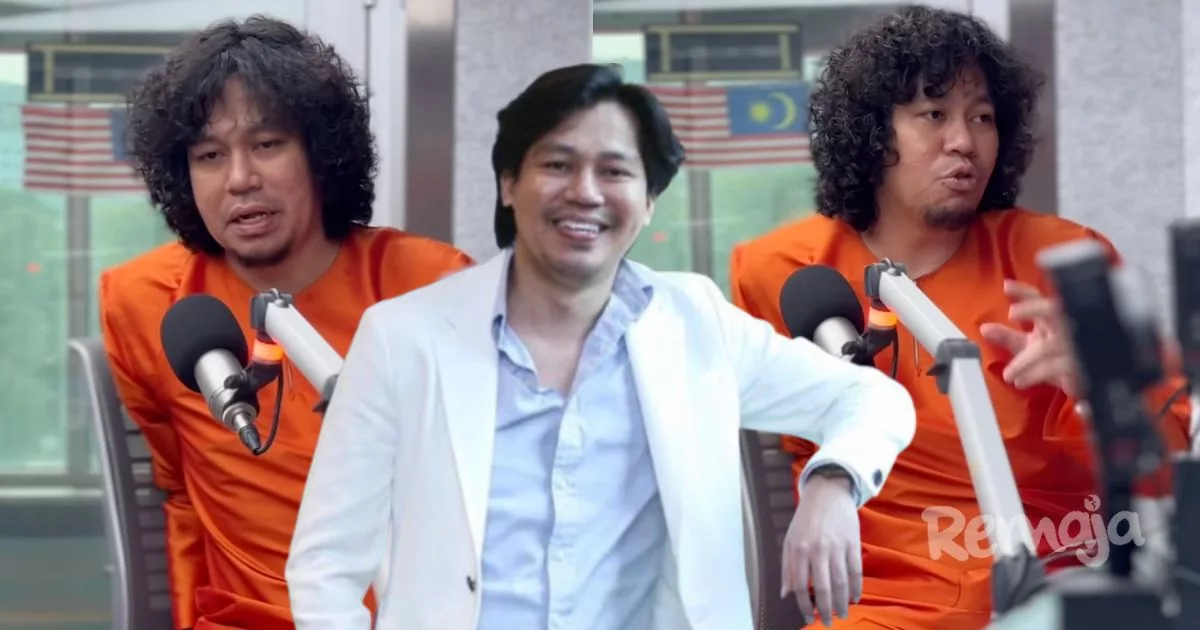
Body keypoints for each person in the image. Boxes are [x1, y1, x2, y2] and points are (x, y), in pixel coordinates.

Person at [284, 63, 917, 630]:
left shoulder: (697, 325)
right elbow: (326, 564)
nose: (585, 191)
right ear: (508, 183)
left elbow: (874, 400)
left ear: (648, 202)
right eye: (557, 165)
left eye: (614, 171)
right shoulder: (402, 337)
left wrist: (832, 481)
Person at [729, 6, 1191, 629]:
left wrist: (1098, 394)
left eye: (982, 118)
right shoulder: (784, 271)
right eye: (934, 115)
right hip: (885, 608)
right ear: (874, 133)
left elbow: (1171, 475)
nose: (964, 142)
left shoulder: (1059, 259)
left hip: (1061, 587)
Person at [99, 16, 473, 630]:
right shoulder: (142, 302)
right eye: (210, 155)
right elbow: (182, 496)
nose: (240, 179)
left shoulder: (431, 284)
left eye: (268, 144)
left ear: (321, 155)